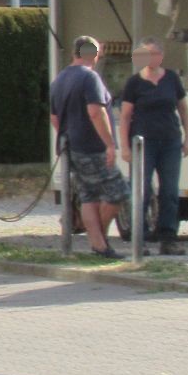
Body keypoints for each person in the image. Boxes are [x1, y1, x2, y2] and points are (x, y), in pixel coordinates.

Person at [49, 35, 127, 258]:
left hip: (71, 146)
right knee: (118, 192)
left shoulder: (60, 79)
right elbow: (96, 112)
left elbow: (54, 118)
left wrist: (68, 134)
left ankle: (99, 245)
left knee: (89, 195)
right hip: (93, 147)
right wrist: (110, 144)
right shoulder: (89, 77)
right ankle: (99, 239)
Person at [119, 39, 188, 254]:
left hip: (170, 140)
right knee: (140, 190)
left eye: (153, 54)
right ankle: (139, 238)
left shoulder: (171, 79)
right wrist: (125, 146)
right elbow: (125, 116)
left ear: (161, 56)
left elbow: (183, 109)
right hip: (143, 143)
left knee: (169, 190)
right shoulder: (134, 83)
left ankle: (168, 238)